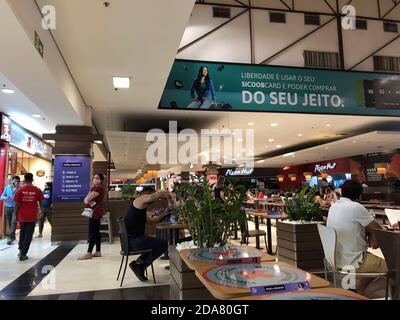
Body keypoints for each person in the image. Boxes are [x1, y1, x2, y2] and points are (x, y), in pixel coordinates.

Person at [327, 180, 387, 294]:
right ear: (359, 195)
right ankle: (368, 293)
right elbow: (378, 227)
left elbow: (360, 227)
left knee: (373, 263)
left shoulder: (334, 206)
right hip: (355, 261)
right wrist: (373, 233)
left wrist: (370, 234)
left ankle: (359, 291)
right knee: (395, 268)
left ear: (342, 192)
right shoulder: (355, 207)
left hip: (336, 259)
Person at [125, 187, 174, 281]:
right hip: (134, 241)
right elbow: (152, 196)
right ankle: (139, 265)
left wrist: (164, 213)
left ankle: (139, 264)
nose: (151, 199)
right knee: (163, 244)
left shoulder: (141, 207)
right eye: (149, 194)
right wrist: (166, 194)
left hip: (133, 240)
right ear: (145, 193)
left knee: (159, 243)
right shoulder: (138, 200)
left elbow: (151, 222)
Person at [14, 173, 44, 261]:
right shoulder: (37, 190)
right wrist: (41, 212)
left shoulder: (20, 190)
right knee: (28, 235)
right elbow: (41, 204)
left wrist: (15, 215)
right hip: (32, 215)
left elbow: (16, 204)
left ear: (24, 180)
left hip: (22, 215)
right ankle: (23, 253)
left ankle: (21, 250)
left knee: (22, 233)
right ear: (32, 179)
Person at [78, 174, 106, 260]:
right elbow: (85, 199)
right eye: (94, 178)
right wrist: (87, 199)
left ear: (101, 180)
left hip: (95, 212)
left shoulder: (98, 188)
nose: (95, 180)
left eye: (97, 178)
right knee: (96, 232)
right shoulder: (96, 188)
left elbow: (87, 199)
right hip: (95, 211)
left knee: (92, 232)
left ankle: (89, 252)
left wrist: (88, 200)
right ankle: (98, 251)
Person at [1, 176, 20, 245]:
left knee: (13, 222)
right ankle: (13, 236)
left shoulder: (20, 189)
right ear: (12, 181)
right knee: (10, 223)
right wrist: (6, 197)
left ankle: (10, 238)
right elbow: (1, 197)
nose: (16, 182)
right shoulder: (7, 188)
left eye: (18, 181)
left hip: (16, 208)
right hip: (8, 208)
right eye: (15, 181)